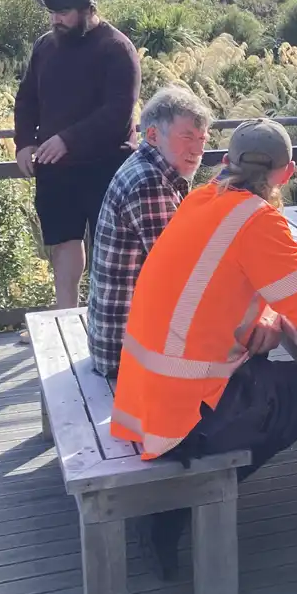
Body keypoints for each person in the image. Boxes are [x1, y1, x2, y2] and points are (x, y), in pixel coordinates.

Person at [112, 119, 297, 579]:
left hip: (143, 401)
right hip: (186, 420)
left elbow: (226, 288)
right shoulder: (258, 220)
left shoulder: (200, 200)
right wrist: (280, 309)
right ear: (288, 174)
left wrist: (271, 313)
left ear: (225, 162)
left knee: (296, 382)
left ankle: (172, 511)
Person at [14, 0, 141, 328]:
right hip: (56, 168)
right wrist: (24, 143)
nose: (57, 19)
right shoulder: (45, 46)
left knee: (110, 249)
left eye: (64, 12)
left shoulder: (116, 48)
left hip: (107, 166)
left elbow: (117, 113)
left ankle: (110, 322)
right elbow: (27, 99)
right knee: (64, 241)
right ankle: (65, 320)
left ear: (88, 8)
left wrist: (67, 139)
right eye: (52, 12)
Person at [85, 85, 212, 378]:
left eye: (202, 139)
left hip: (116, 338)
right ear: (153, 135)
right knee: (244, 341)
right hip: (127, 353)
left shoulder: (150, 168)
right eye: (187, 137)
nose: (198, 150)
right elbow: (181, 273)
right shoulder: (149, 184)